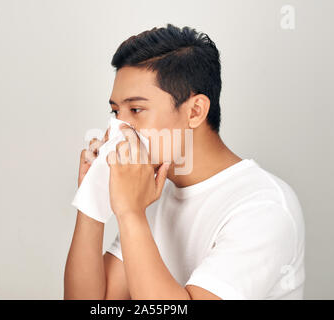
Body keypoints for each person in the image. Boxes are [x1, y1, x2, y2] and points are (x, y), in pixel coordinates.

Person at [64, 24, 305, 300]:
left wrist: (131, 214)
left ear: (195, 111)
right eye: (116, 111)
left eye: (136, 110)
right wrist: (91, 201)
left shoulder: (263, 207)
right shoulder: (152, 194)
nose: (119, 127)